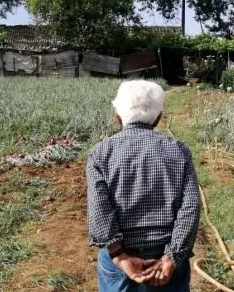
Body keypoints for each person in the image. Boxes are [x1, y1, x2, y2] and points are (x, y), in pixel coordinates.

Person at [86, 80, 201, 292]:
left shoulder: (100, 154)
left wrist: (119, 255)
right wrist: (172, 257)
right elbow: (190, 208)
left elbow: (99, 211)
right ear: (158, 118)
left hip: (120, 263)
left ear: (117, 117)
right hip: (166, 261)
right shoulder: (179, 152)